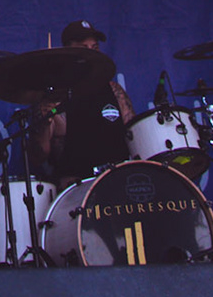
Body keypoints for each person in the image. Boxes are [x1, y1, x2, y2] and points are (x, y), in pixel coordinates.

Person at [26, 19, 135, 185]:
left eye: (95, 48)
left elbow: (135, 138)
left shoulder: (114, 90)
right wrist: (44, 125)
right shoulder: (54, 97)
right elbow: (37, 157)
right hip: (77, 187)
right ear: (68, 53)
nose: (92, 55)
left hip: (119, 182)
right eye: (84, 49)